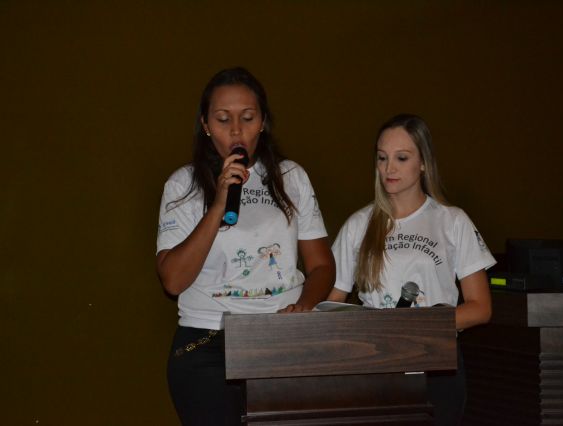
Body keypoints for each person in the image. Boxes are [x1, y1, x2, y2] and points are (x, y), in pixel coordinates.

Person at [156, 67, 335, 425]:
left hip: (281, 338)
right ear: (206, 125)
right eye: (223, 119)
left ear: (263, 122)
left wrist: (303, 307)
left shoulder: (291, 177)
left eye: (248, 118)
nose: (236, 130)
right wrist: (219, 204)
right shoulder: (183, 185)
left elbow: (321, 266)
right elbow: (173, 281)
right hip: (208, 342)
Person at [327, 113, 495, 426]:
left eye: (401, 158)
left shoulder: (452, 220)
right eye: (382, 158)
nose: (389, 168)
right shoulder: (359, 224)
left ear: (423, 163)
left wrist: (418, 326)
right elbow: (331, 302)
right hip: (375, 363)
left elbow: (480, 307)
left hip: (437, 363)